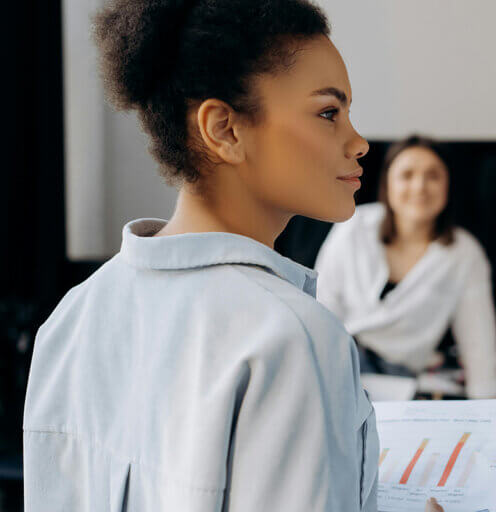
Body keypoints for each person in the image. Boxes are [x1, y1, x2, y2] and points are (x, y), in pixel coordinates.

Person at [22, 1, 444, 510]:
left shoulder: (71, 318)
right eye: (328, 113)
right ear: (224, 129)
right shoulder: (292, 338)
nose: (358, 142)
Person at [315, 135, 496, 399]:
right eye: (407, 175)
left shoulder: (464, 253)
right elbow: (320, 314)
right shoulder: (352, 227)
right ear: (387, 183)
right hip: (341, 371)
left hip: (404, 386)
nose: (419, 186)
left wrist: (489, 413)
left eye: (433, 176)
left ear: (448, 185)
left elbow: (479, 344)